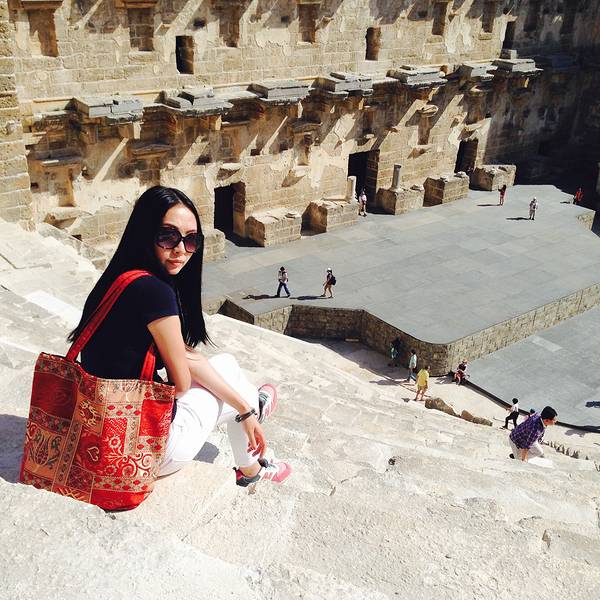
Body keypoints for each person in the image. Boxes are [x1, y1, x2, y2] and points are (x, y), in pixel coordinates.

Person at [69, 186, 291, 488]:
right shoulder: (156, 293)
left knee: (227, 368)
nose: (181, 249)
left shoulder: (119, 278)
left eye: (191, 240)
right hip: (148, 449)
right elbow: (181, 384)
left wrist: (241, 407)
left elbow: (186, 356)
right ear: (145, 232)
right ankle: (252, 467)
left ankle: (253, 413)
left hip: (103, 429)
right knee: (242, 394)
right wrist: (244, 409)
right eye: (168, 236)